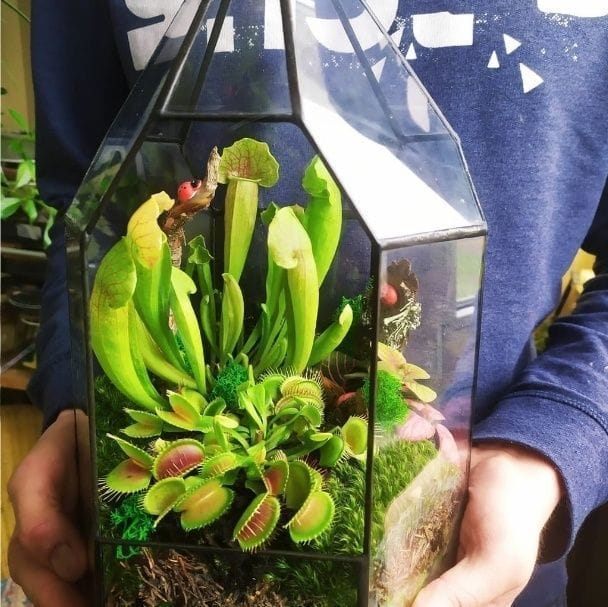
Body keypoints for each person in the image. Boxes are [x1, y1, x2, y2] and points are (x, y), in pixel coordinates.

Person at [8, 1, 607, 606]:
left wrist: (549, 440)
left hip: (470, 531)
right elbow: (90, 206)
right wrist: (76, 402)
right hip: (138, 527)